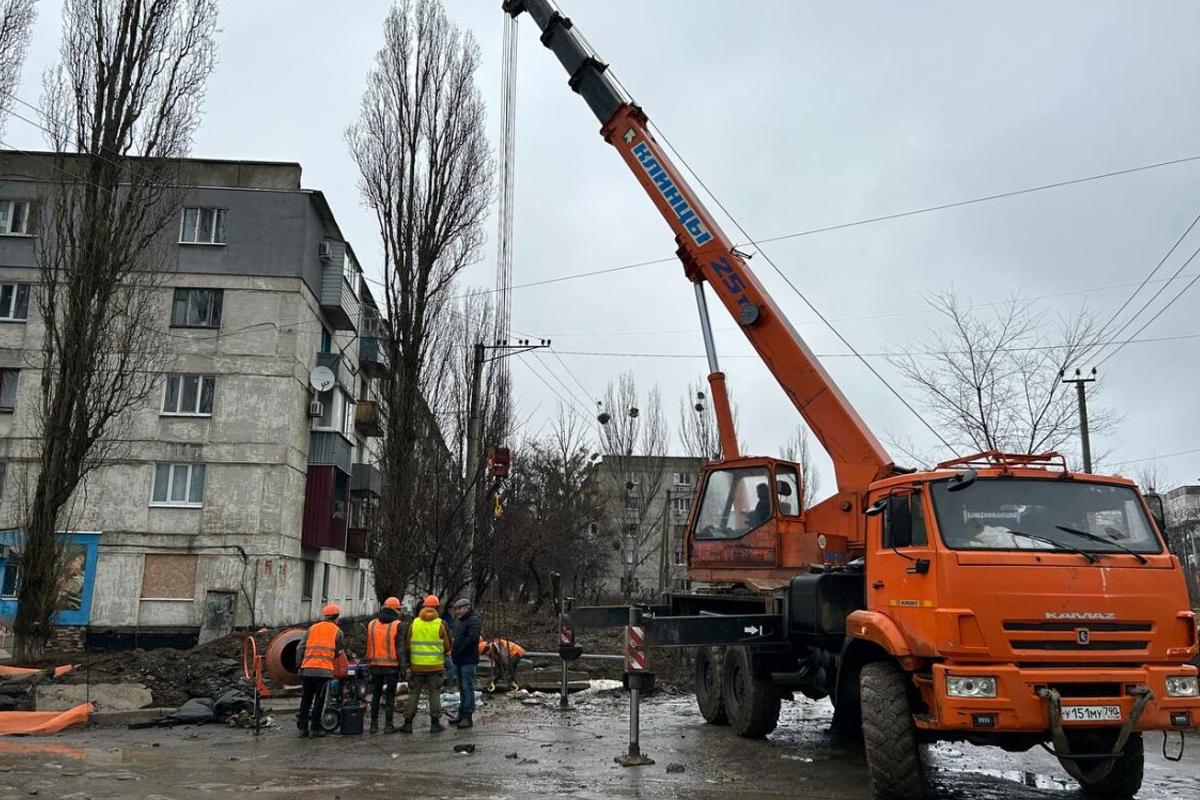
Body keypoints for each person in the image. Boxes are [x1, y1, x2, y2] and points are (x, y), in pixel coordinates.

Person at [400, 595, 452, 734]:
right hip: (435, 667)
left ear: (423, 606)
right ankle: (435, 724)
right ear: (437, 608)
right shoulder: (441, 624)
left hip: (417, 666)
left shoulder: (414, 623)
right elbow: (447, 646)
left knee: (414, 694)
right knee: (434, 694)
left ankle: (408, 724)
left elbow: (407, 645)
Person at [296, 603, 345, 739]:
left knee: (306, 699)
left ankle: (302, 729)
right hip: (324, 671)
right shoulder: (337, 631)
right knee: (319, 700)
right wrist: (330, 657)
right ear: (336, 618)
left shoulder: (311, 629)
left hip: (307, 669)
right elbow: (340, 650)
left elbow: (300, 648)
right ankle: (315, 729)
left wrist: (299, 665)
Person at [365, 596, 405, 734]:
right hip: (391, 667)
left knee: (375, 695)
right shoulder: (397, 625)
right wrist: (404, 667)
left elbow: (369, 645)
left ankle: (373, 725)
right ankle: (388, 725)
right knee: (390, 696)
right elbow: (400, 649)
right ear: (395, 610)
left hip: (375, 666)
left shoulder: (372, 624)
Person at [448, 597, 481, 729]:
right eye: (455, 609)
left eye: (458, 609)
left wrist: (460, 651)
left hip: (468, 660)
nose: (457, 612)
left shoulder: (473, 620)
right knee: (462, 687)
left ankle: (467, 716)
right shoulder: (464, 620)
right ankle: (461, 714)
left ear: (466, 607)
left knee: (467, 687)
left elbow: (472, 639)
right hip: (461, 659)